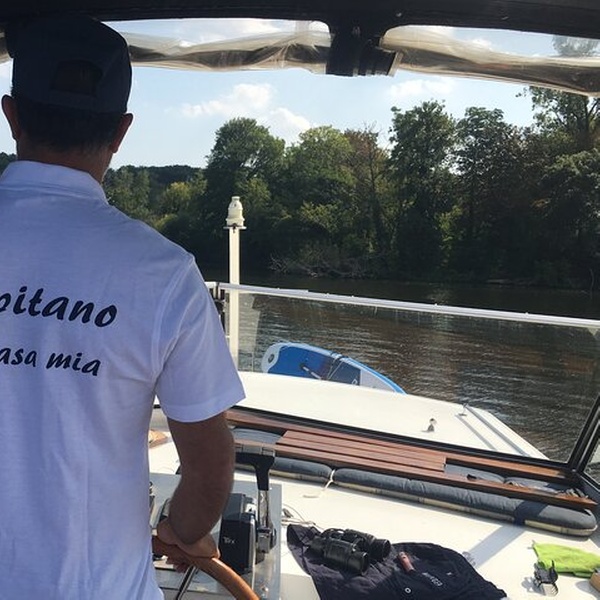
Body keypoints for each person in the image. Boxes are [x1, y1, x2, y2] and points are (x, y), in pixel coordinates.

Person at [0, 15, 245, 599]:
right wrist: (183, 529)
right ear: (121, 131)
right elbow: (209, 466)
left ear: (11, 116)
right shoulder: (163, 274)